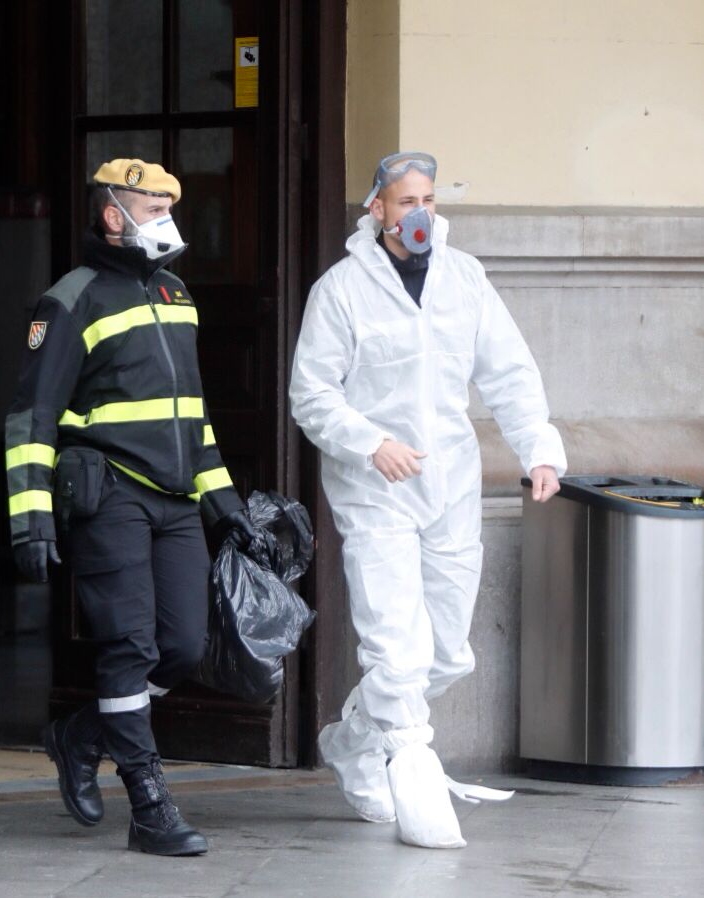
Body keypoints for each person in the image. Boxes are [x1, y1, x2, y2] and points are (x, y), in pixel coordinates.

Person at [290, 151, 566, 848]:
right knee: (395, 650)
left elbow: (507, 370)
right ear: (375, 209)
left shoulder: (463, 278)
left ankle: (352, 740)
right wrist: (367, 441)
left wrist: (537, 447)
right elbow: (311, 393)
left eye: (429, 200)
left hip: (448, 483)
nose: (419, 214)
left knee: (446, 652)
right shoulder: (341, 291)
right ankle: (404, 762)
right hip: (374, 489)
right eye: (405, 200)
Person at [5, 159, 248, 857]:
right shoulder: (70, 299)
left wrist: (224, 503)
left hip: (175, 499)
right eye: (151, 207)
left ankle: (80, 736)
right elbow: (31, 417)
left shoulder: (176, 294)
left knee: (183, 646)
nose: (165, 218)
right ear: (112, 214)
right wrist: (29, 517)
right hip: (107, 493)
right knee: (129, 645)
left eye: (170, 206)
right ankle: (147, 802)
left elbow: (189, 416)